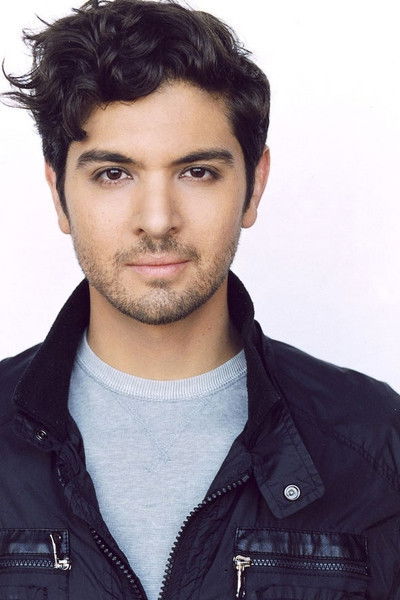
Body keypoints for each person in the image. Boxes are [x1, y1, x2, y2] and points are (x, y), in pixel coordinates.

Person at [0, 0, 399, 598]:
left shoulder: (374, 443)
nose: (158, 220)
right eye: (113, 174)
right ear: (59, 194)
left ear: (253, 186)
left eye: (197, 172)